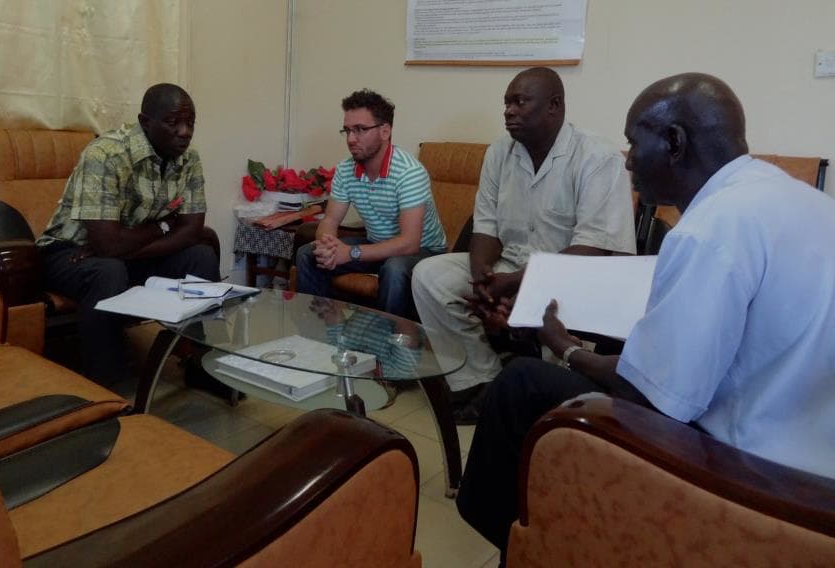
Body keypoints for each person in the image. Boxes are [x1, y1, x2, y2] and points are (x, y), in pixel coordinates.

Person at [456, 72, 835, 562]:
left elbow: (650, 395)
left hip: (756, 470)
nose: (629, 160)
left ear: (674, 142)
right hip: (813, 450)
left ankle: (525, 542)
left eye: (635, 143)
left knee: (521, 383)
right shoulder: (798, 198)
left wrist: (564, 345)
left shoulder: (708, 230)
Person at [411, 67, 636, 424]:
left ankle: (549, 394)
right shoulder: (499, 152)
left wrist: (516, 285)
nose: (509, 111)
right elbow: (485, 226)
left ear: (554, 106)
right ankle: (482, 381)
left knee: (544, 305)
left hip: (576, 276)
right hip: (511, 268)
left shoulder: (598, 157)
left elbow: (593, 249)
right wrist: (483, 281)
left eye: (520, 102)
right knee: (429, 276)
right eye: (506, 103)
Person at [36, 83, 220, 386]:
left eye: (190, 123)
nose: (185, 132)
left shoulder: (189, 158)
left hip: (121, 253)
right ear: (145, 122)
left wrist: (123, 248)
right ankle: (106, 384)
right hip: (68, 252)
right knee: (108, 270)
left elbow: (191, 231)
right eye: (173, 122)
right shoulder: (106, 154)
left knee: (201, 256)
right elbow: (108, 245)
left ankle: (204, 367)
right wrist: (163, 226)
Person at [294, 89, 446, 320]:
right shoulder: (346, 169)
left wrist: (350, 253)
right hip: (378, 245)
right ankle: (316, 333)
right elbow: (330, 220)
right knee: (308, 254)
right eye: (347, 130)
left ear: (385, 131)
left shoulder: (409, 173)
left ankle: (387, 341)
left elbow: (409, 243)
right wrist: (328, 245)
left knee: (394, 269)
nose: (350, 139)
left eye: (360, 130)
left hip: (424, 252)